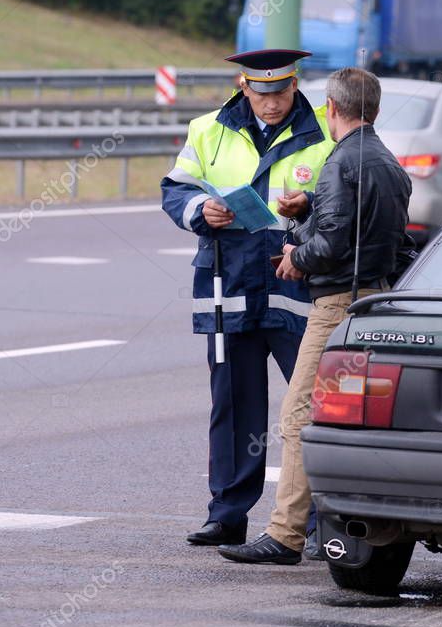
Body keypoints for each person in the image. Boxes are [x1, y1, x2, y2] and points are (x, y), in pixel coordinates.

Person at [218, 67, 415, 565]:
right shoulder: (388, 163)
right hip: (375, 301)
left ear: (332, 107)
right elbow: (383, 240)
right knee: (349, 421)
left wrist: (295, 255)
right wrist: (309, 207)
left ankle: (285, 535)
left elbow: (333, 242)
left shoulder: (341, 160)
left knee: (299, 416)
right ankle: (341, 526)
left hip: (334, 306)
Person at [161, 49, 334, 548]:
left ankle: (323, 519)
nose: (272, 104)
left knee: (314, 408)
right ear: (243, 86)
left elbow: (346, 196)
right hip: (228, 285)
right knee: (233, 406)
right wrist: (200, 209)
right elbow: (176, 188)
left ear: (294, 85)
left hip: (295, 286)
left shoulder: (323, 130)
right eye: (262, 94)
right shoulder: (208, 129)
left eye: (281, 93)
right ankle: (227, 513)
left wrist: (310, 204)